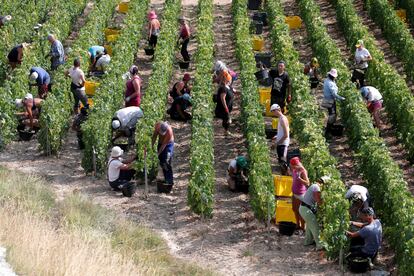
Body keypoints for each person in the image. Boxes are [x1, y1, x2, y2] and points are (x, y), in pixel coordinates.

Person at [299, 180, 322, 249]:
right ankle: (320, 245)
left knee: (309, 226)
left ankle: (308, 241)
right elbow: (318, 200)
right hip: (306, 209)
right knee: (315, 227)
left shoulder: (314, 186)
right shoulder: (317, 187)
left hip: (304, 208)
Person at [322, 68, 345, 134]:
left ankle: (330, 127)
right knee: (332, 114)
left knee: (332, 114)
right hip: (330, 100)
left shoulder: (327, 80)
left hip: (327, 99)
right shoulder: (330, 83)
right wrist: (342, 98)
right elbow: (334, 94)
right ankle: (328, 130)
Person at [289, 157, 310, 231]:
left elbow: (307, 183)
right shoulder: (294, 169)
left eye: (292, 165)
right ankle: (298, 225)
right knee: (295, 210)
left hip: (301, 195)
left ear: (296, 165)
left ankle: (303, 227)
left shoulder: (303, 171)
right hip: (294, 193)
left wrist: (299, 179)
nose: (291, 167)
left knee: (301, 212)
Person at [270, 104, 290, 174]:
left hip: (283, 144)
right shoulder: (280, 118)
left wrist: (276, 144)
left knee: (284, 163)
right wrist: (276, 136)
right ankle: (283, 176)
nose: (272, 113)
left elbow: (286, 135)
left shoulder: (283, 119)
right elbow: (282, 132)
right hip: (280, 143)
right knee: (281, 163)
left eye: (272, 111)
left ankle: (287, 178)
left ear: (276, 110)